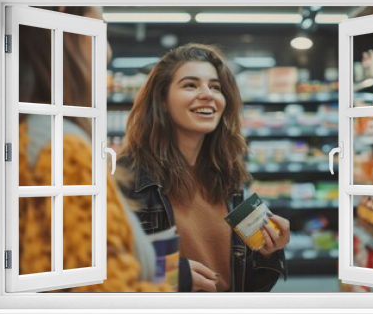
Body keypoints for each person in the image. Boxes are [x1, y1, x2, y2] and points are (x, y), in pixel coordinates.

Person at [18, 6, 171, 292]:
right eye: (101, 29)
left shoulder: (27, 131)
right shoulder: (61, 150)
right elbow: (102, 296)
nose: (109, 52)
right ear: (63, 20)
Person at [116, 43, 290, 292]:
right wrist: (172, 275)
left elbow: (245, 285)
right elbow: (100, 264)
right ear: (162, 100)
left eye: (215, 87)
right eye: (190, 85)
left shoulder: (228, 176)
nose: (208, 94)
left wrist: (269, 253)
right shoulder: (129, 178)